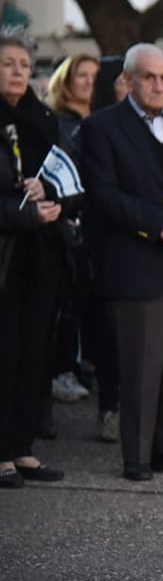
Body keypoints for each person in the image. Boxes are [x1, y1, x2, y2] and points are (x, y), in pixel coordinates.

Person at [80, 43, 163, 481]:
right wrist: (162, 225)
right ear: (128, 80)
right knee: (141, 361)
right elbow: (102, 194)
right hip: (136, 260)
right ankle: (137, 456)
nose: (159, 86)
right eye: (149, 77)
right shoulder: (102, 128)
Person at [0, 37, 67, 489]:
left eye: (24, 64)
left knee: (31, 353)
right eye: (7, 63)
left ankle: (22, 447)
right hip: (4, 253)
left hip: (41, 255)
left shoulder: (43, 120)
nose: (18, 71)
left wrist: (53, 195)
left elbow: (65, 175)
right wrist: (23, 212)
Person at [45, 53, 99, 407]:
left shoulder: (108, 119)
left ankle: (80, 364)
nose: (89, 82)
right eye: (82, 75)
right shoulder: (58, 123)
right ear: (67, 80)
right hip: (68, 221)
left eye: (95, 76)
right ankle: (61, 370)